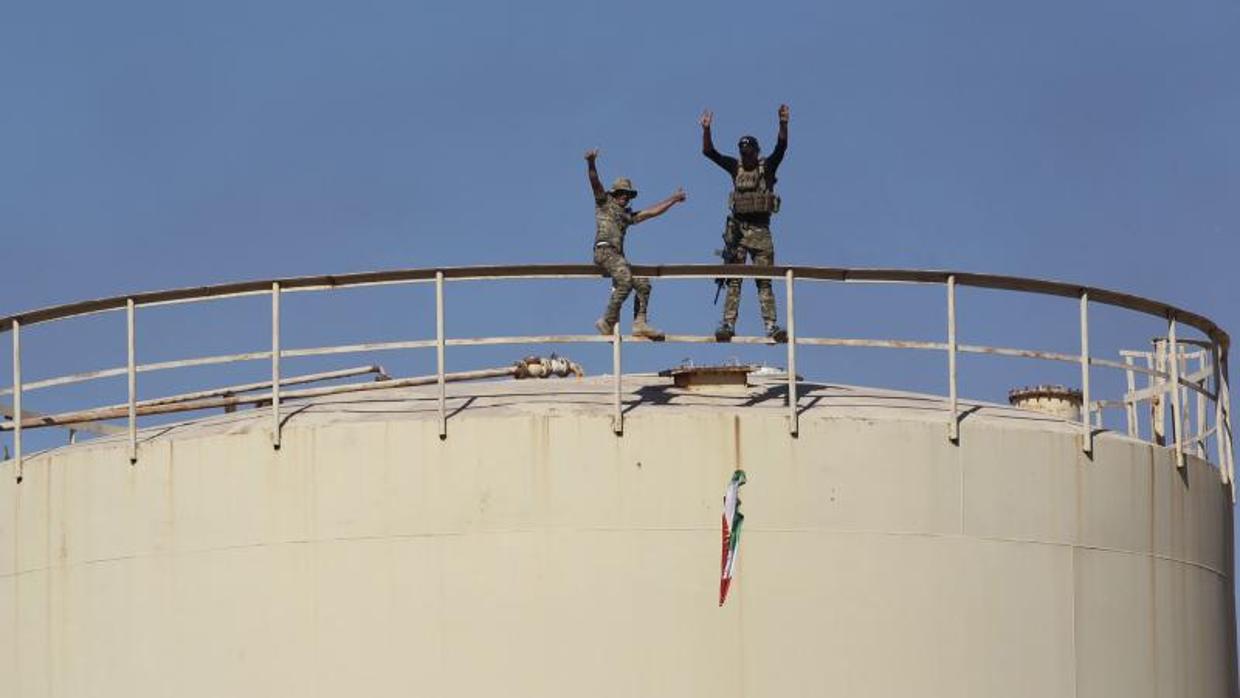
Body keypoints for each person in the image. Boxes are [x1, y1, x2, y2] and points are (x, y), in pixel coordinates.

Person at [700, 104, 790, 342]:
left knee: (764, 281)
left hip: (761, 233)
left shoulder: (767, 167)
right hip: (738, 234)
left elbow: (781, 147)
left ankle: (771, 326)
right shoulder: (735, 167)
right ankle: (728, 324)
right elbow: (709, 153)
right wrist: (706, 129)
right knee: (734, 281)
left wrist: (783, 123)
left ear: (756, 152)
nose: (746, 155)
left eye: (749, 152)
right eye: (743, 152)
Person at [585, 148, 687, 340]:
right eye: (622, 193)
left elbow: (651, 212)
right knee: (625, 280)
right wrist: (591, 163)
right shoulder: (604, 203)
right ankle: (607, 320)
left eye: (628, 195)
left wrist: (673, 199)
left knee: (643, 284)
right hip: (605, 250)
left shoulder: (626, 216)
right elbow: (595, 183)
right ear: (614, 194)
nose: (625, 197)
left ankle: (640, 323)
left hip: (617, 257)